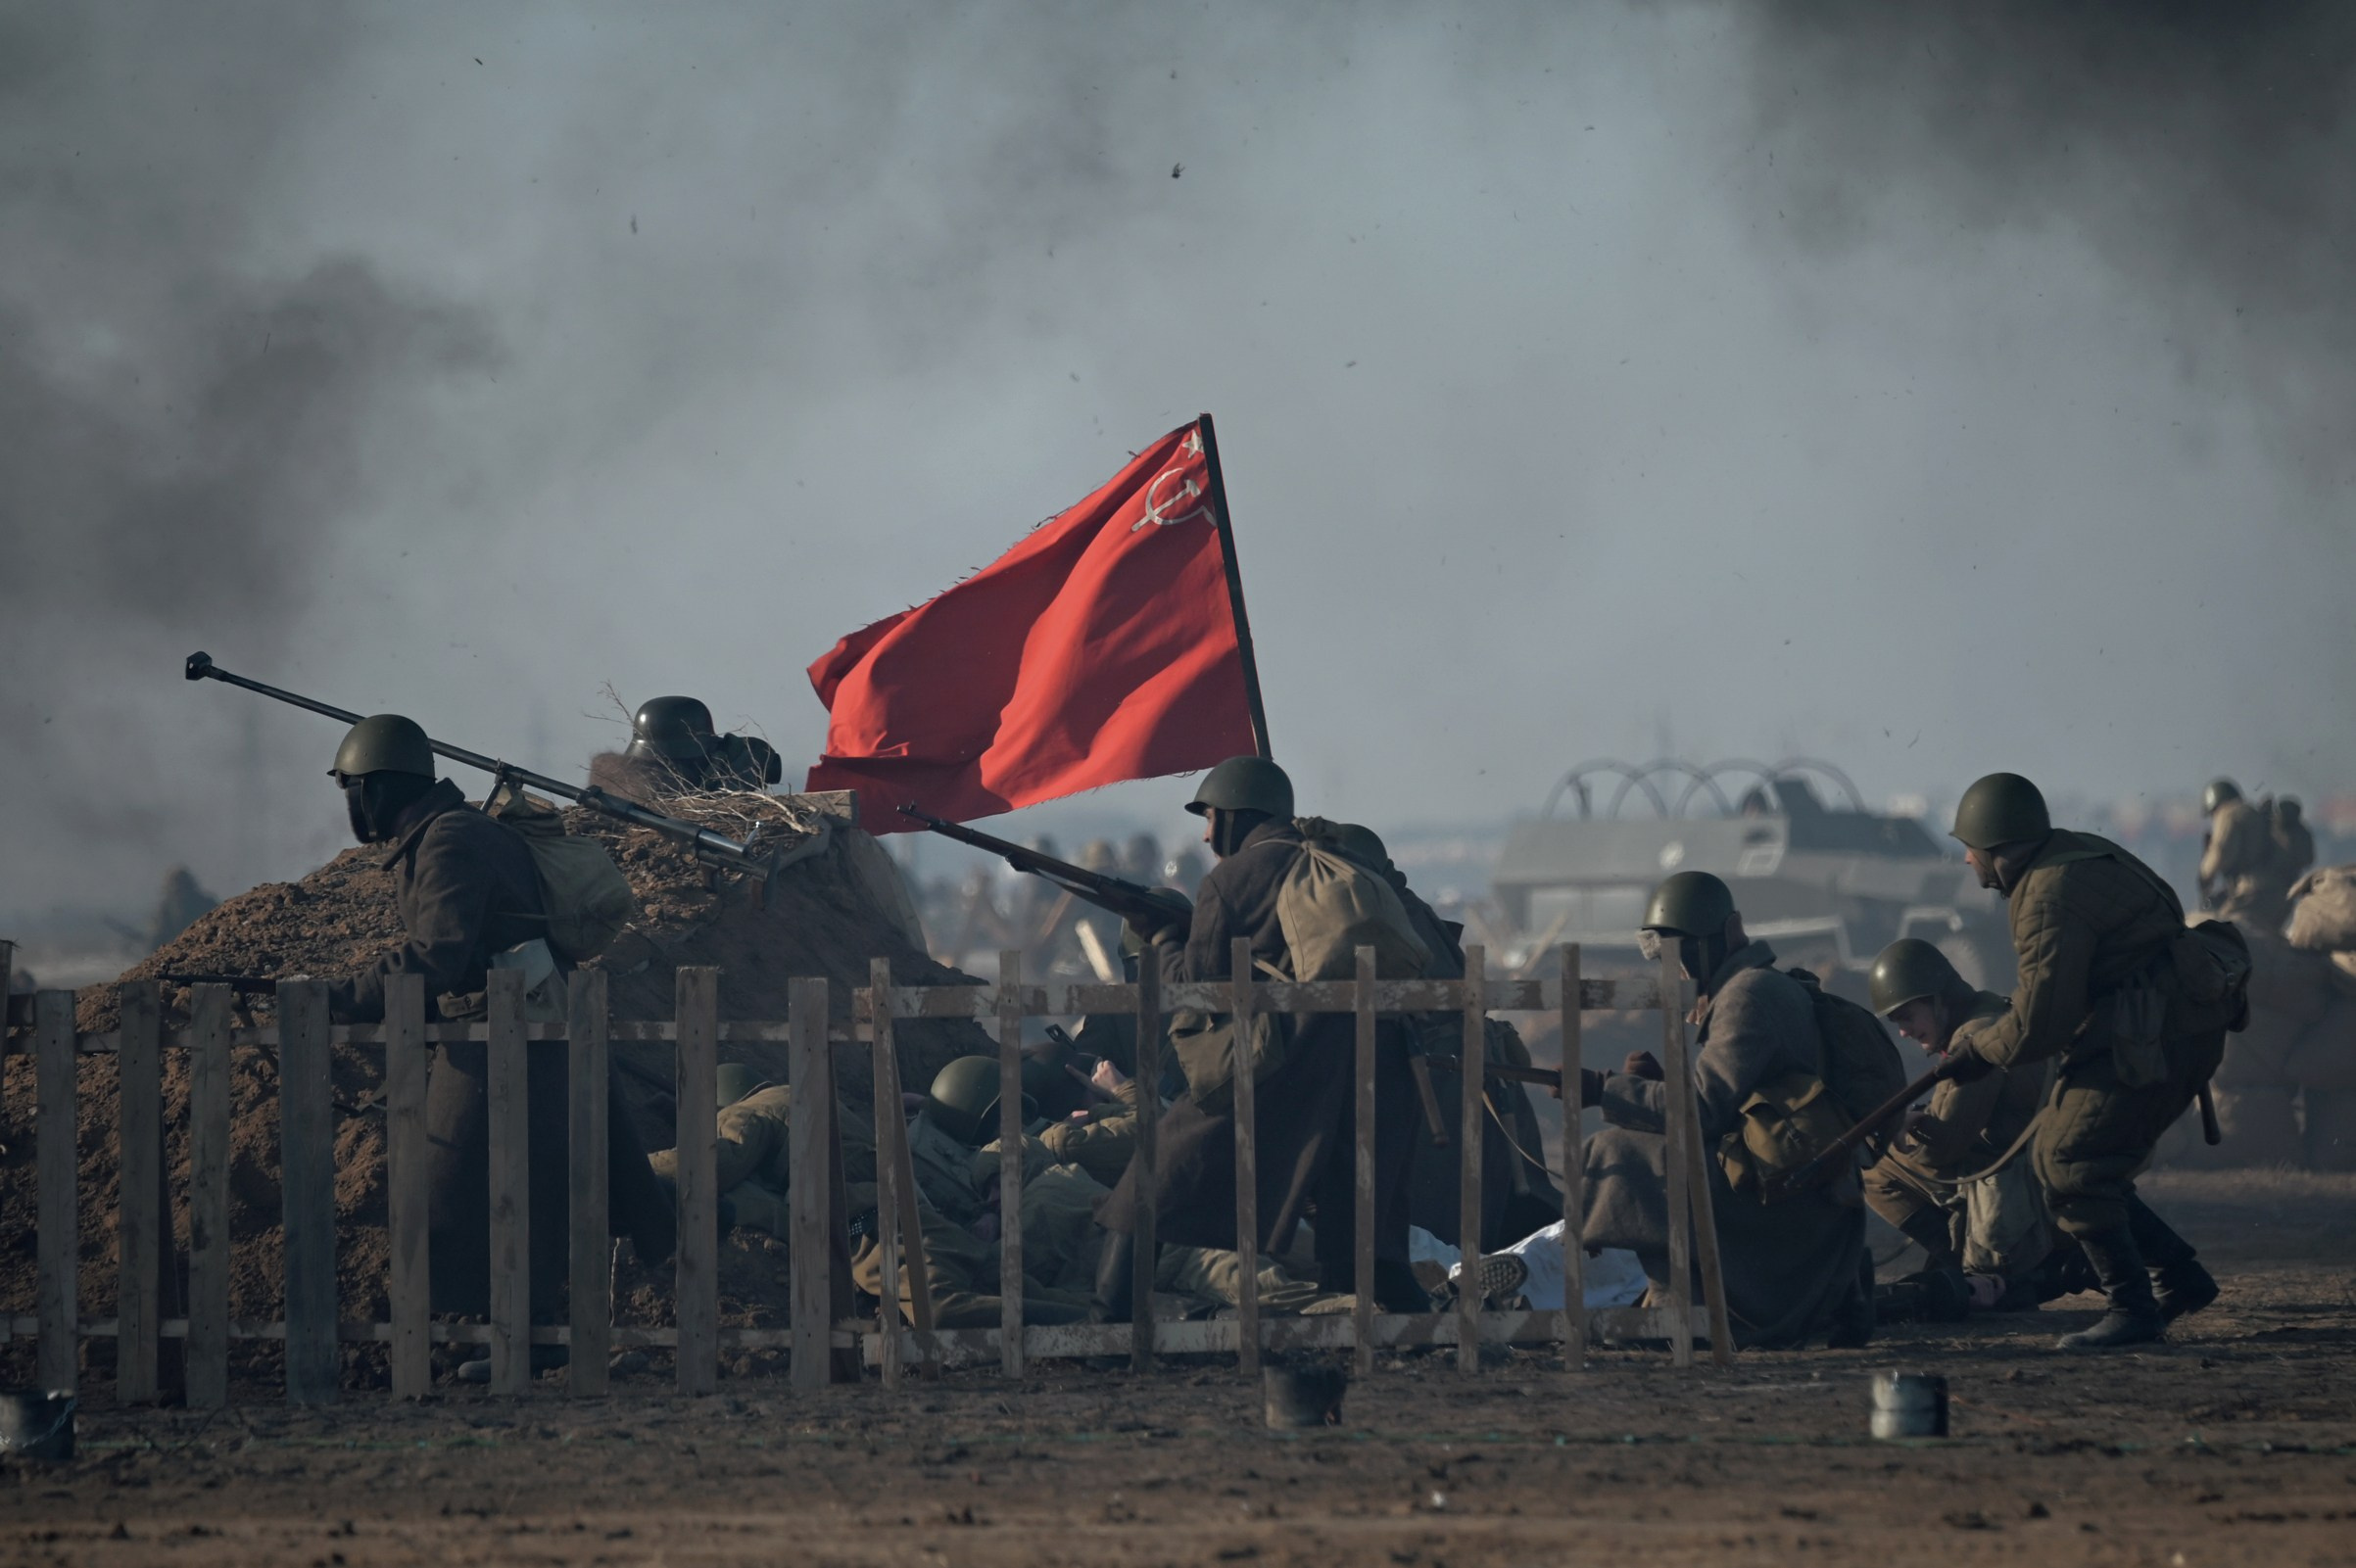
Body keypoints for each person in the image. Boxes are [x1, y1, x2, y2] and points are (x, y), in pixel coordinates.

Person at [319, 715, 673, 1365]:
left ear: (376, 790)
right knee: (504, 1191)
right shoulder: (449, 834)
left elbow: (439, 955)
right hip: (511, 1027)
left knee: (484, 1191)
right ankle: (524, 1336)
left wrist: (335, 998)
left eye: (354, 789)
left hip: (513, 1034)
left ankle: (528, 1340)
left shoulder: (450, 840)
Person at [1095, 756, 1427, 1319]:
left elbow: (1194, 989)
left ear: (1232, 817)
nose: (1204, 832)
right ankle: (1412, 1327)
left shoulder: (1232, 879)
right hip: (1374, 1059)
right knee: (1365, 1226)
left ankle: (1108, 1322)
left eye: (1210, 817)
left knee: (1154, 1179)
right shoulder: (1336, 860)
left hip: (1281, 1056)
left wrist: (1161, 936)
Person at [1944, 772, 2227, 1350]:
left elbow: (2039, 1022)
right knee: (2074, 1163)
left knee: (2070, 1163)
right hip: (2167, 1026)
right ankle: (2180, 1276)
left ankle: (2132, 1311)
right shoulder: (2073, 854)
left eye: (1970, 851)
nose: (1969, 866)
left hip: (2157, 1034)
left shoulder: (2046, 894)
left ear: (1996, 850)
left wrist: (1979, 1052)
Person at [1580, 871, 1871, 1349]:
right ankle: (1671, 1301)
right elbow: (1734, 1103)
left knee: (1620, 1155)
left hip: (1785, 1199)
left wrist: (1606, 1090)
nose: (1674, 969)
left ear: (1727, 935)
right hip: (1782, 1179)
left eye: (1682, 953)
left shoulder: (1747, 996)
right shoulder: (1753, 988)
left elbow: (1703, 1109)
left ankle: (1677, 1309)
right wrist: (1653, 1087)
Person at [1863, 939, 2054, 1319]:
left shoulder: (1975, 1039)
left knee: (1873, 1168)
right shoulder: (1987, 1013)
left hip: (2021, 1185)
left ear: (1937, 1000)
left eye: (1907, 1016)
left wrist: (1907, 1127)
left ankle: (1956, 1261)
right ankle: (1955, 1258)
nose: (1903, 1031)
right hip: (2028, 1168)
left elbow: (1943, 1148)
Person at [2199, 778, 2301, 934]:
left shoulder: (2228, 813)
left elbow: (2220, 852)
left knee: (2220, 934)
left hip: (2254, 892)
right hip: (2281, 893)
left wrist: (2204, 876)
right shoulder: (2251, 813)